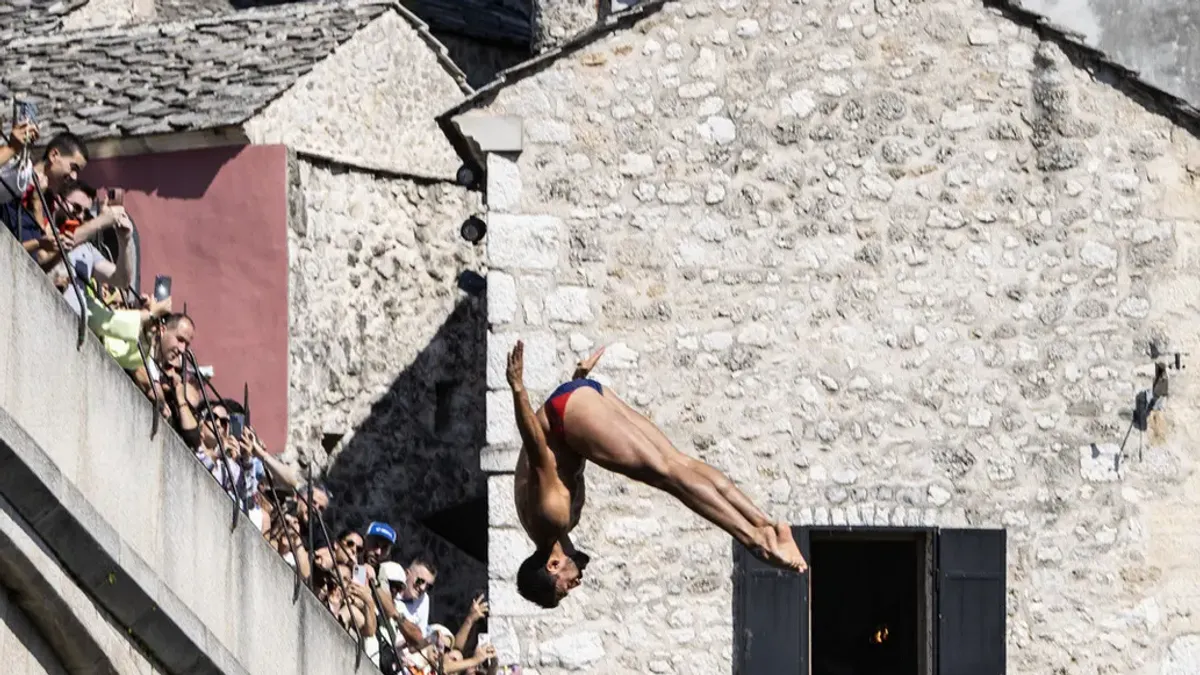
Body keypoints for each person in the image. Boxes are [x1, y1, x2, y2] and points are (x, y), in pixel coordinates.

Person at [506, 340, 806, 609]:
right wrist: (577, 382)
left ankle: (757, 541)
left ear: (553, 565)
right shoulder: (547, 527)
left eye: (563, 589)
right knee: (677, 462)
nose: (575, 586)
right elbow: (554, 457)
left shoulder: (551, 518)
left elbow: (537, 448)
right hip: (575, 402)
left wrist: (518, 388)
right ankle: (766, 526)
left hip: (568, 415)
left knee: (667, 474)